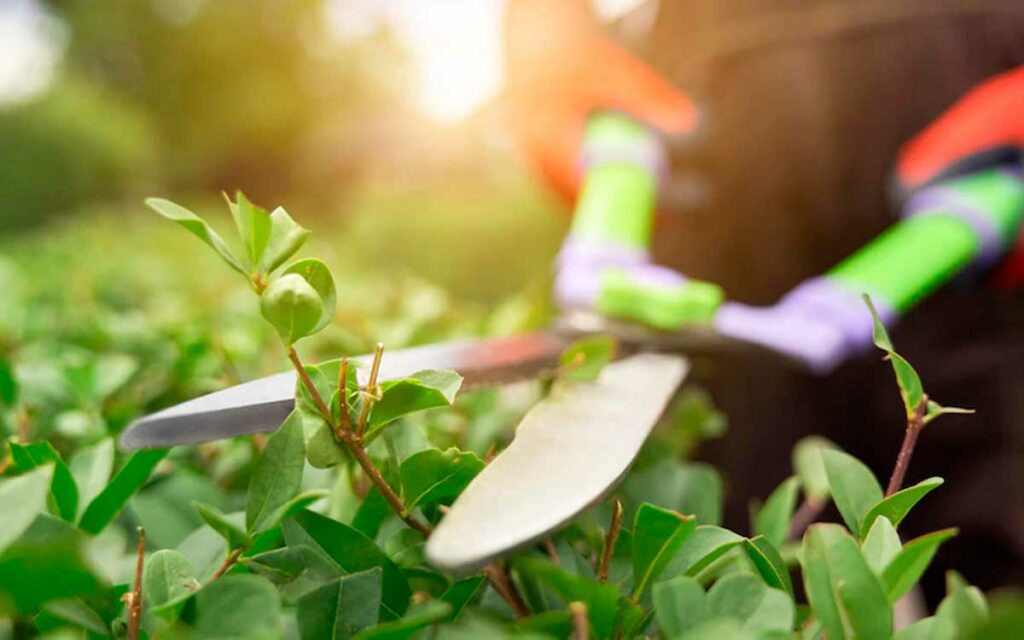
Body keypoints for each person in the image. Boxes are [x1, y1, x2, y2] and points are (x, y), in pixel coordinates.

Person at [503, 0, 1024, 596]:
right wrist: (547, 35)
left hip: (974, 87)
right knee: (740, 570)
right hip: (718, 108)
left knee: (1001, 567)